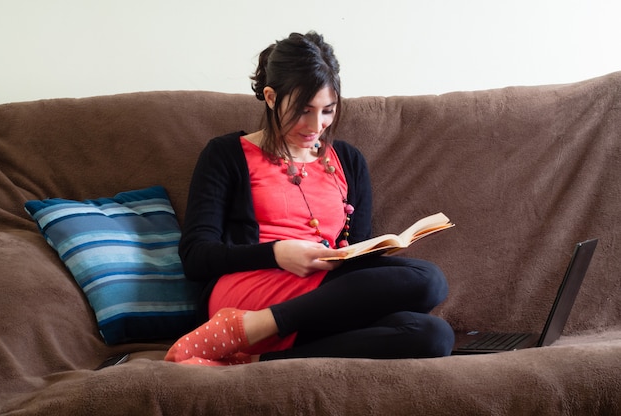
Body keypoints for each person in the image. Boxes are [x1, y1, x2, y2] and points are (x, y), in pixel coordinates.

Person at [164, 31, 454, 366]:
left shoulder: (348, 161)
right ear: (271, 98)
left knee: (434, 336)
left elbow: (355, 254)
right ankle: (247, 327)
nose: (316, 125)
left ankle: (254, 359)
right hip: (251, 291)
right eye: (303, 110)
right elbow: (196, 256)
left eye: (327, 111)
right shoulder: (227, 154)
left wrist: (365, 254)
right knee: (428, 280)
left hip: (322, 298)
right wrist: (277, 253)